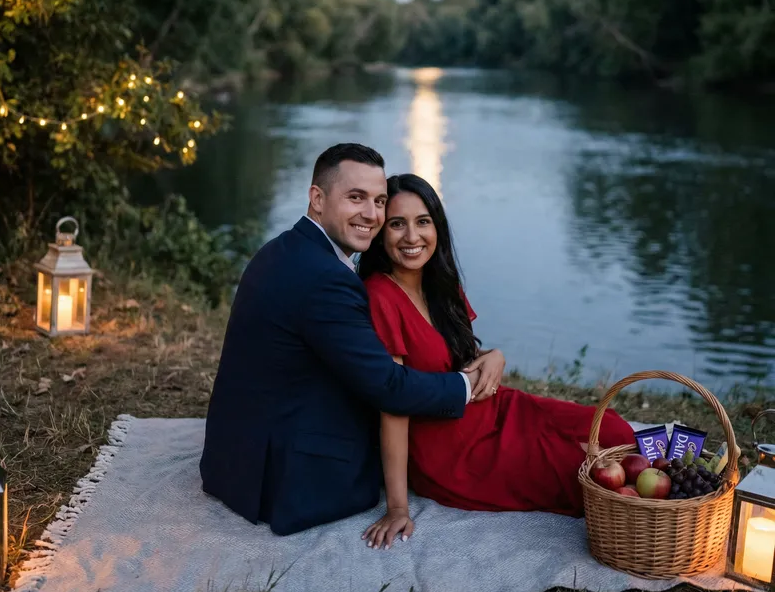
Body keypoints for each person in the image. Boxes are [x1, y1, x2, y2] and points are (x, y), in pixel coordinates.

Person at [199, 144, 501, 536]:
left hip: (232, 461)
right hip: (284, 481)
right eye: (355, 198)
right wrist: (468, 383)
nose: (372, 215)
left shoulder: (282, 249)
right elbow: (390, 388)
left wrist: (485, 355)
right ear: (317, 199)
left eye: (379, 201)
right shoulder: (327, 279)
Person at [357, 173, 635, 550]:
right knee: (583, 471)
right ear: (380, 232)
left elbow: (462, 357)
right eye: (397, 224)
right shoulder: (380, 296)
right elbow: (393, 403)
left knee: (617, 432)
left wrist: (494, 356)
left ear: (437, 227)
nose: (412, 236)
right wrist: (397, 507)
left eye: (423, 221)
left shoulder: (440, 283)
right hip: (452, 449)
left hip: (496, 409)